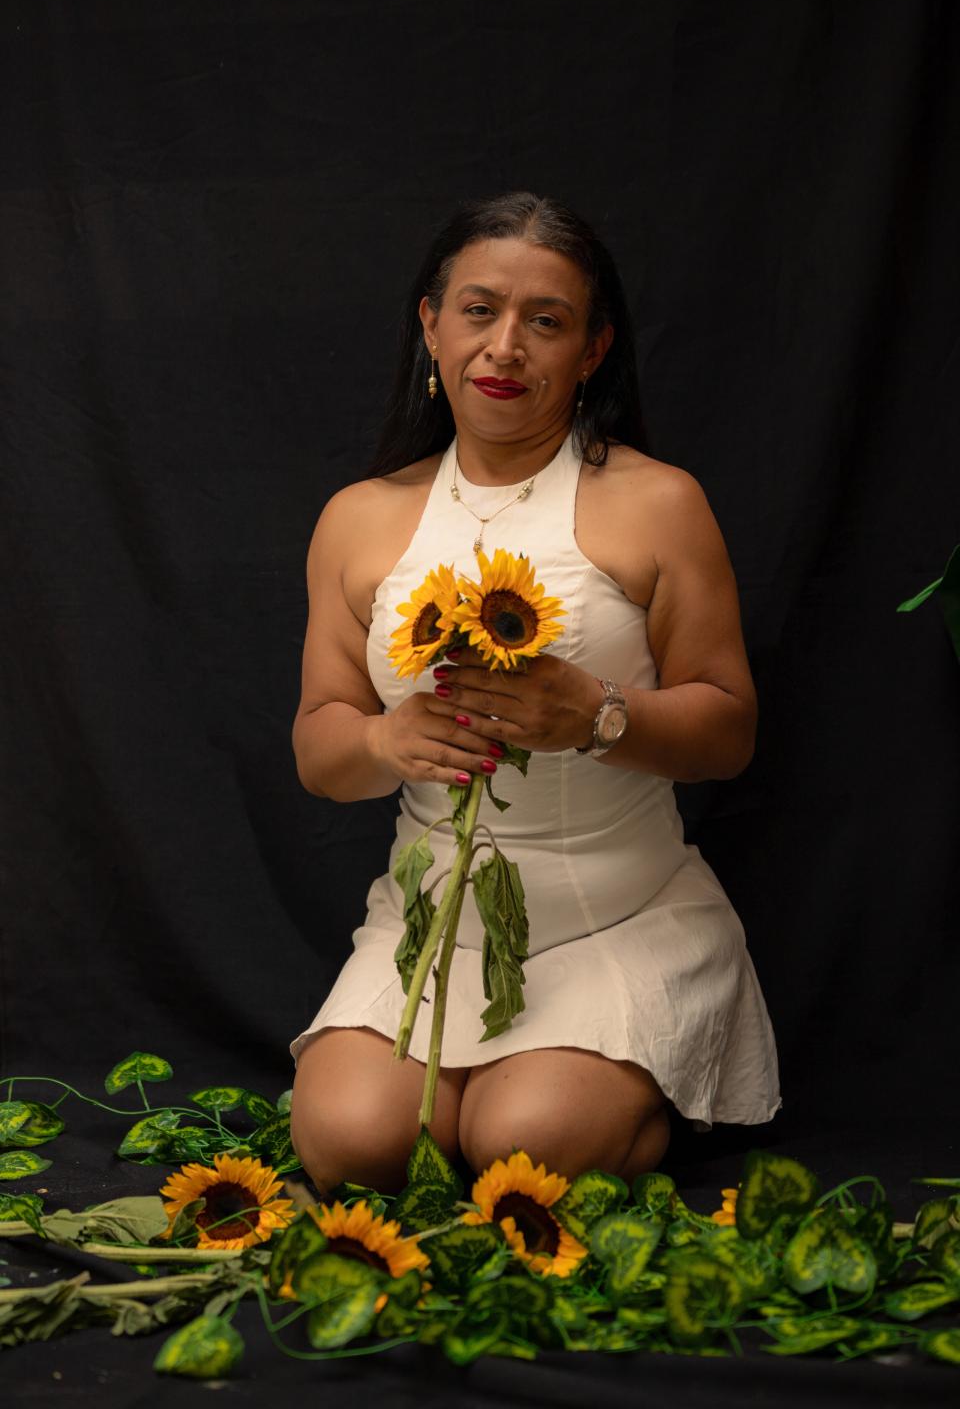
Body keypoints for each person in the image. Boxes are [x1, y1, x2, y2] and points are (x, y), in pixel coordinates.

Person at [289, 191, 780, 1195]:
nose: (505, 347)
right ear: (431, 325)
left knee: (524, 1148)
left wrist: (598, 717)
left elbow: (728, 730)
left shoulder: (658, 502)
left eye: (545, 321)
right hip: (431, 930)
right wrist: (383, 742)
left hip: (616, 920)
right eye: (479, 310)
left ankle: (635, 1074)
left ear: (592, 351)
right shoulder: (358, 519)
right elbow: (319, 745)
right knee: (350, 1147)